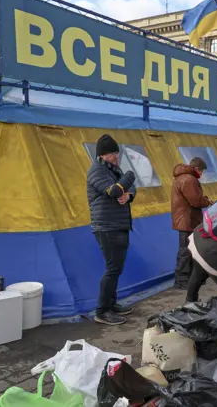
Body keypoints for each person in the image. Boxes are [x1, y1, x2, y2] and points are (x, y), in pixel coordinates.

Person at [87, 134, 137, 325]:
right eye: (112, 153)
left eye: (116, 152)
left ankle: (112, 303)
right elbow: (114, 191)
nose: (116, 156)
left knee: (117, 268)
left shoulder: (113, 170)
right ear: (102, 155)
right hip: (106, 227)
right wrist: (129, 177)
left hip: (119, 224)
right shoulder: (96, 171)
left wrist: (129, 196)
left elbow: (127, 189)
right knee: (112, 268)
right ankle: (102, 311)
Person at [171, 157, 213, 290]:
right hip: (187, 220)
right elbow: (195, 201)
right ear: (196, 169)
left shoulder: (182, 177)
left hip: (185, 219)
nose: (201, 175)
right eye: (201, 172)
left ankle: (187, 279)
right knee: (185, 251)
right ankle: (181, 281)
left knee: (187, 250)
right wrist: (207, 201)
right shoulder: (189, 179)